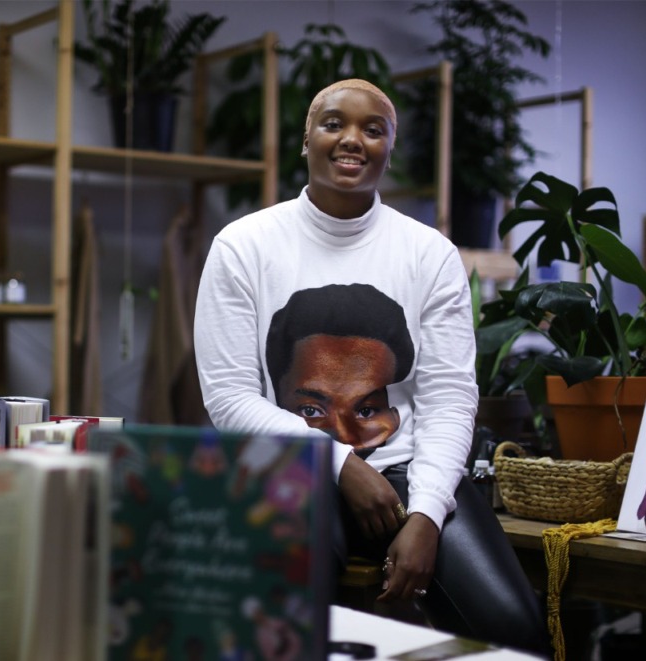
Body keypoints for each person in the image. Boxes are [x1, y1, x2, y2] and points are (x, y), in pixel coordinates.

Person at [193, 79, 551, 655]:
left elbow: (449, 398)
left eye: (373, 128)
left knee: (516, 632)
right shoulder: (243, 246)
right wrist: (339, 463)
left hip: (412, 473)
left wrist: (429, 514)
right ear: (305, 138)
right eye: (334, 123)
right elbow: (231, 399)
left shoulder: (428, 253)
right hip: (292, 472)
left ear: (390, 147)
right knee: (280, 626)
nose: (351, 139)